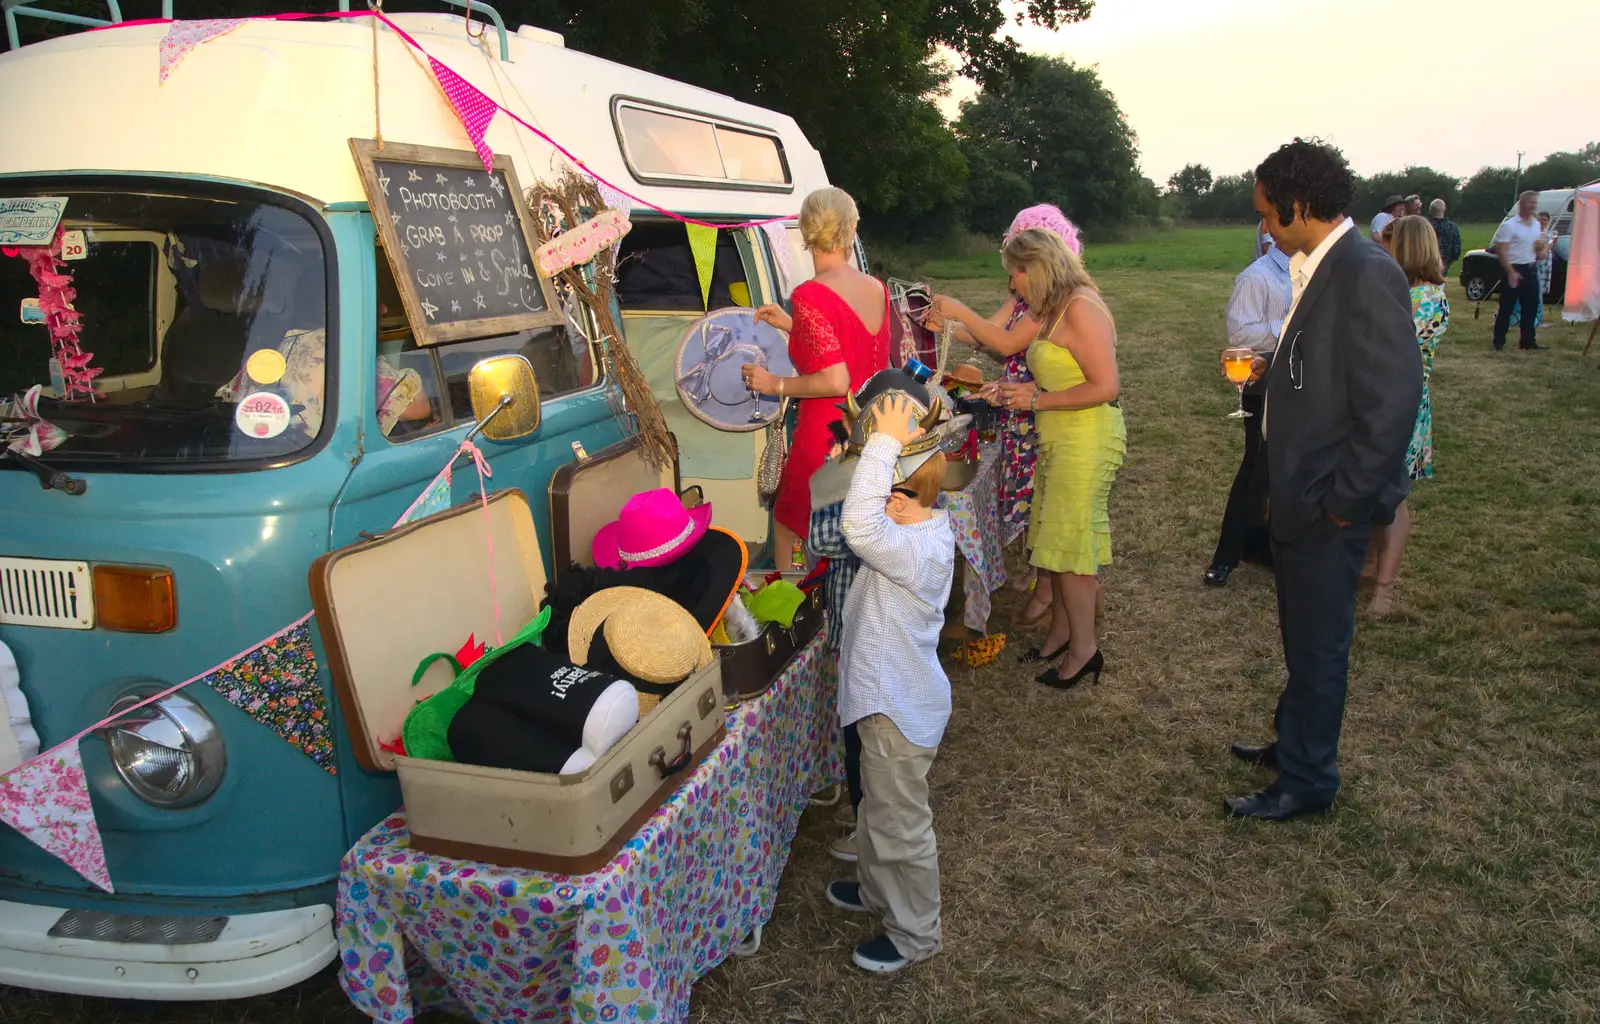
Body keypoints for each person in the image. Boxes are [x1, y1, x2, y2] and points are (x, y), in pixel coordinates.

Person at [1226, 139, 1421, 823]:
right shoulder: (1317, 263)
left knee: (1319, 641)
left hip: (1326, 502)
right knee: (1300, 632)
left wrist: (1345, 504)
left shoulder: (1364, 270)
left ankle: (1309, 778)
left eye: (1270, 216)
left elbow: (1392, 401)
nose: (1265, 230)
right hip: (1300, 492)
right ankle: (1294, 741)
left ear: (1300, 206)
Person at [936, 230, 1124, 688]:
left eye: (1014, 275)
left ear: (1034, 268)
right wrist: (1011, 392)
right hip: (1058, 437)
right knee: (1051, 543)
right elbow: (1035, 367)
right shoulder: (1051, 307)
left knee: (1072, 551)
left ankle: (1085, 651)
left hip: (1086, 439)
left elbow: (1105, 387)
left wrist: (1036, 400)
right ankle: (1061, 633)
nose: (1012, 286)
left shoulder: (1080, 306)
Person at [824, 392, 955, 975]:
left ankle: (916, 932)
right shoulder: (911, 530)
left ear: (897, 493)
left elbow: (856, 525)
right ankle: (880, 893)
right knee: (877, 811)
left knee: (900, 826)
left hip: (899, 713)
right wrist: (868, 458)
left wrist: (882, 443)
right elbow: (860, 513)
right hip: (883, 704)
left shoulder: (915, 550)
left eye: (880, 483)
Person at [925, 203, 1085, 628]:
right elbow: (986, 336)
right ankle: (1041, 576)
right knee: (1034, 502)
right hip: (1016, 408)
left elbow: (1007, 343)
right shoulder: (1021, 295)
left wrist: (960, 312)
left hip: (1036, 411)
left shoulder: (1046, 303)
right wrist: (944, 325)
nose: (1011, 273)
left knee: (1042, 505)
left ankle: (1048, 585)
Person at [744, 188, 892, 562]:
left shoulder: (810, 293)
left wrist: (774, 384)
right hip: (868, 429)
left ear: (806, 230)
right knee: (851, 533)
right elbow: (852, 347)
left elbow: (834, 379)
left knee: (790, 523)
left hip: (825, 434)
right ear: (852, 228)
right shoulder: (876, 288)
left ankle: (795, 611)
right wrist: (794, 325)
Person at [1364, 216, 1448, 619]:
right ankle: (1367, 566)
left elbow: (1391, 352)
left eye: (1387, 243)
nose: (1380, 249)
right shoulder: (1402, 290)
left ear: (1406, 247)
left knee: (1393, 497)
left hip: (1402, 406)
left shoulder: (1426, 298)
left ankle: (1385, 590)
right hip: (1377, 402)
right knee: (1371, 489)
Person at [1203, 238, 1291, 587]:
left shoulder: (1308, 271)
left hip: (1297, 379)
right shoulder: (1257, 277)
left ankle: (1260, 544)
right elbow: (1239, 331)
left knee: (1284, 467)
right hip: (1263, 379)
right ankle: (1227, 554)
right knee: (1256, 465)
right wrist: (1288, 327)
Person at [1492, 191, 1545, 351]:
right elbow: (1501, 250)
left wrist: (1540, 250)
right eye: (1531, 203)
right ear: (1522, 204)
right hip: (1514, 268)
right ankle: (1499, 341)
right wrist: (1510, 271)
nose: (1534, 206)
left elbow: (1537, 249)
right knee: (1506, 308)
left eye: (1535, 203)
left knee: (1531, 307)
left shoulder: (1536, 224)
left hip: (1531, 269)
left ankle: (1528, 342)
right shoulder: (1510, 225)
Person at [1509, 211, 1556, 333]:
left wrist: (1552, 243)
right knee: (1532, 297)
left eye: (1546, 220)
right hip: (1531, 268)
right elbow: (1539, 255)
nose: (1543, 222)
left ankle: (1527, 321)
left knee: (1533, 296)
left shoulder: (1543, 234)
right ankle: (1526, 321)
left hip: (1538, 267)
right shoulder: (1535, 235)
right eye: (1540, 220)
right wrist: (1548, 246)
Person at [1429, 199, 1462, 277]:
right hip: (1443, 268)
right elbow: (1456, 252)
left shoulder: (1425, 226)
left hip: (1425, 268)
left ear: (1430, 210)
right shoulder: (1452, 228)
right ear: (1444, 210)